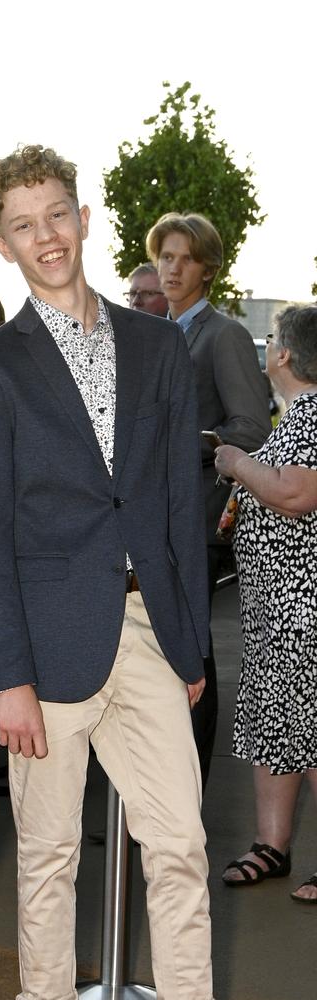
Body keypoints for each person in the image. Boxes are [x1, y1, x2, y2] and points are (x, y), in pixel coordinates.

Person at [0, 145, 215, 1000]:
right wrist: (8, 678)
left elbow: (182, 500)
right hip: (45, 646)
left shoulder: (157, 345)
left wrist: (189, 641)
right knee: (48, 857)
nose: (47, 236)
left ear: (85, 218)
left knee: (180, 847)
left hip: (149, 632)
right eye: (24, 226)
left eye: (57, 214)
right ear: (2, 245)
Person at [146, 212, 271, 789]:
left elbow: (250, 429)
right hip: (151, 517)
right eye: (165, 256)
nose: (172, 268)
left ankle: (185, 800)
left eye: (185, 258)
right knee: (153, 658)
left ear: (207, 269)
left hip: (197, 518)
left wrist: (180, 441)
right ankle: (151, 800)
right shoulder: (159, 333)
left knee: (191, 656)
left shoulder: (224, 335)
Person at [216, 304, 317, 904]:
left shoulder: (311, 413)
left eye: (272, 339)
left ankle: (274, 846)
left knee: (307, 731)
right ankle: (271, 845)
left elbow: (298, 493)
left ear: (283, 354)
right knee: (277, 728)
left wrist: (235, 461)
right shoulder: (296, 416)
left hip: (300, 612)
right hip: (278, 613)